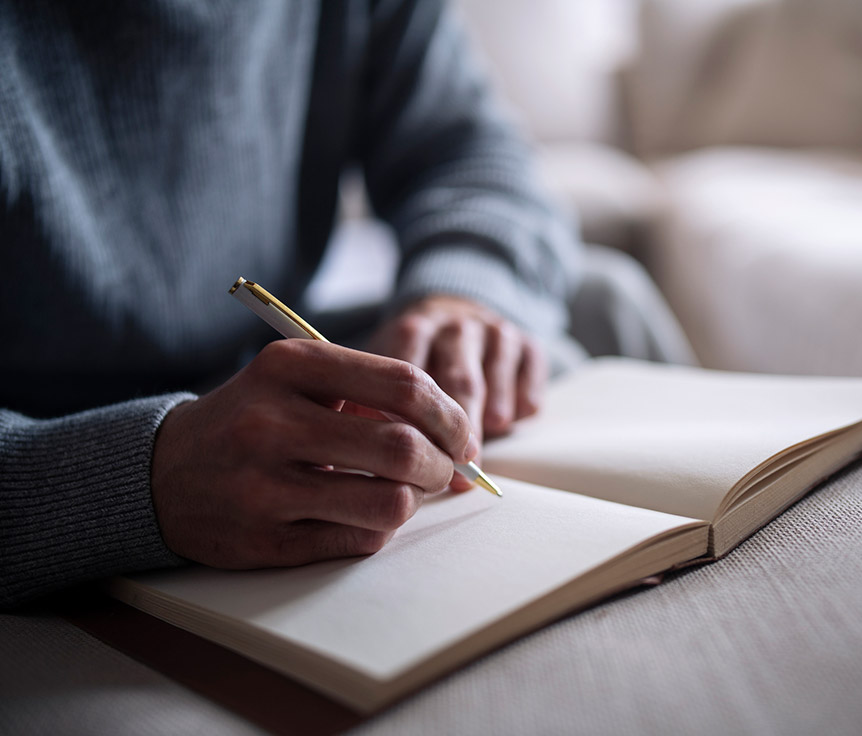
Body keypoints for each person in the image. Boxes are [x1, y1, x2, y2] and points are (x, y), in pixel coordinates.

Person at [0, 0, 588, 607]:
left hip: (250, 363)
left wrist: (462, 294)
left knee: (606, 296)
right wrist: (141, 481)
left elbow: (469, 152)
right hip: (49, 436)